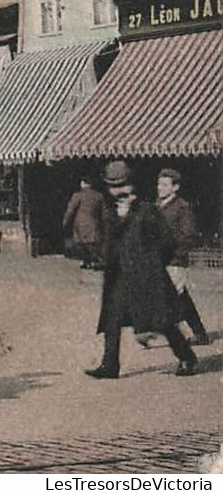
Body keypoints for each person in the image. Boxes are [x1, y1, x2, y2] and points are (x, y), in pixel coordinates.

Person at [85, 160, 199, 379]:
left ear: (132, 185)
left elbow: (166, 240)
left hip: (148, 276)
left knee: (161, 320)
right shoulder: (109, 212)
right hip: (118, 275)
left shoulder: (147, 210)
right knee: (113, 319)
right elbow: (107, 243)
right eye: (113, 186)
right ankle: (110, 365)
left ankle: (186, 356)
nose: (119, 191)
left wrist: (154, 262)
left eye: (123, 185)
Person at [155, 168, 209, 347]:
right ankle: (198, 332)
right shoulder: (159, 205)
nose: (160, 188)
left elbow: (189, 235)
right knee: (178, 296)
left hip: (173, 260)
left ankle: (191, 333)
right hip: (159, 259)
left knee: (174, 295)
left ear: (175, 187)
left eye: (164, 184)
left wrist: (176, 254)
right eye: (159, 184)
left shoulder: (182, 207)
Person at [62, 177, 107, 270]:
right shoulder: (98, 196)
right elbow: (104, 212)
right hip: (94, 223)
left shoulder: (78, 195)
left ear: (83, 183)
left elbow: (70, 210)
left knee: (81, 244)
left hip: (80, 224)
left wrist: (65, 221)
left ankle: (86, 261)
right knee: (92, 243)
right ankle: (92, 261)